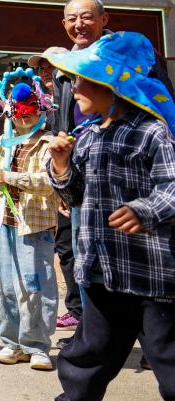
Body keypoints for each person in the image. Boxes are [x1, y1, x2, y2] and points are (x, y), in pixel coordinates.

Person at [45, 31, 175, 401]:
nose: (75, 89)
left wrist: (143, 210)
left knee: (169, 360)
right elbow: (74, 197)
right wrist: (61, 165)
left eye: (83, 80)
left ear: (112, 86)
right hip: (101, 272)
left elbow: (171, 185)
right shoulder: (87, 136)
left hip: (151, 276)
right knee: (88, 357)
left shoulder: (152, 133)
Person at [0, 75, 59, 371]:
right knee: (1, 286)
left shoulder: (49, 144)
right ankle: (11, 343)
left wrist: (10, 178)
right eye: (19, 114)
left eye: (30, 112)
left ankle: (36, 346)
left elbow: (49, 182)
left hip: (33, 225)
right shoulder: (4, 143)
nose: (25, 119)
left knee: (34, 287)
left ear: (41, 111)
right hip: (1, 222)